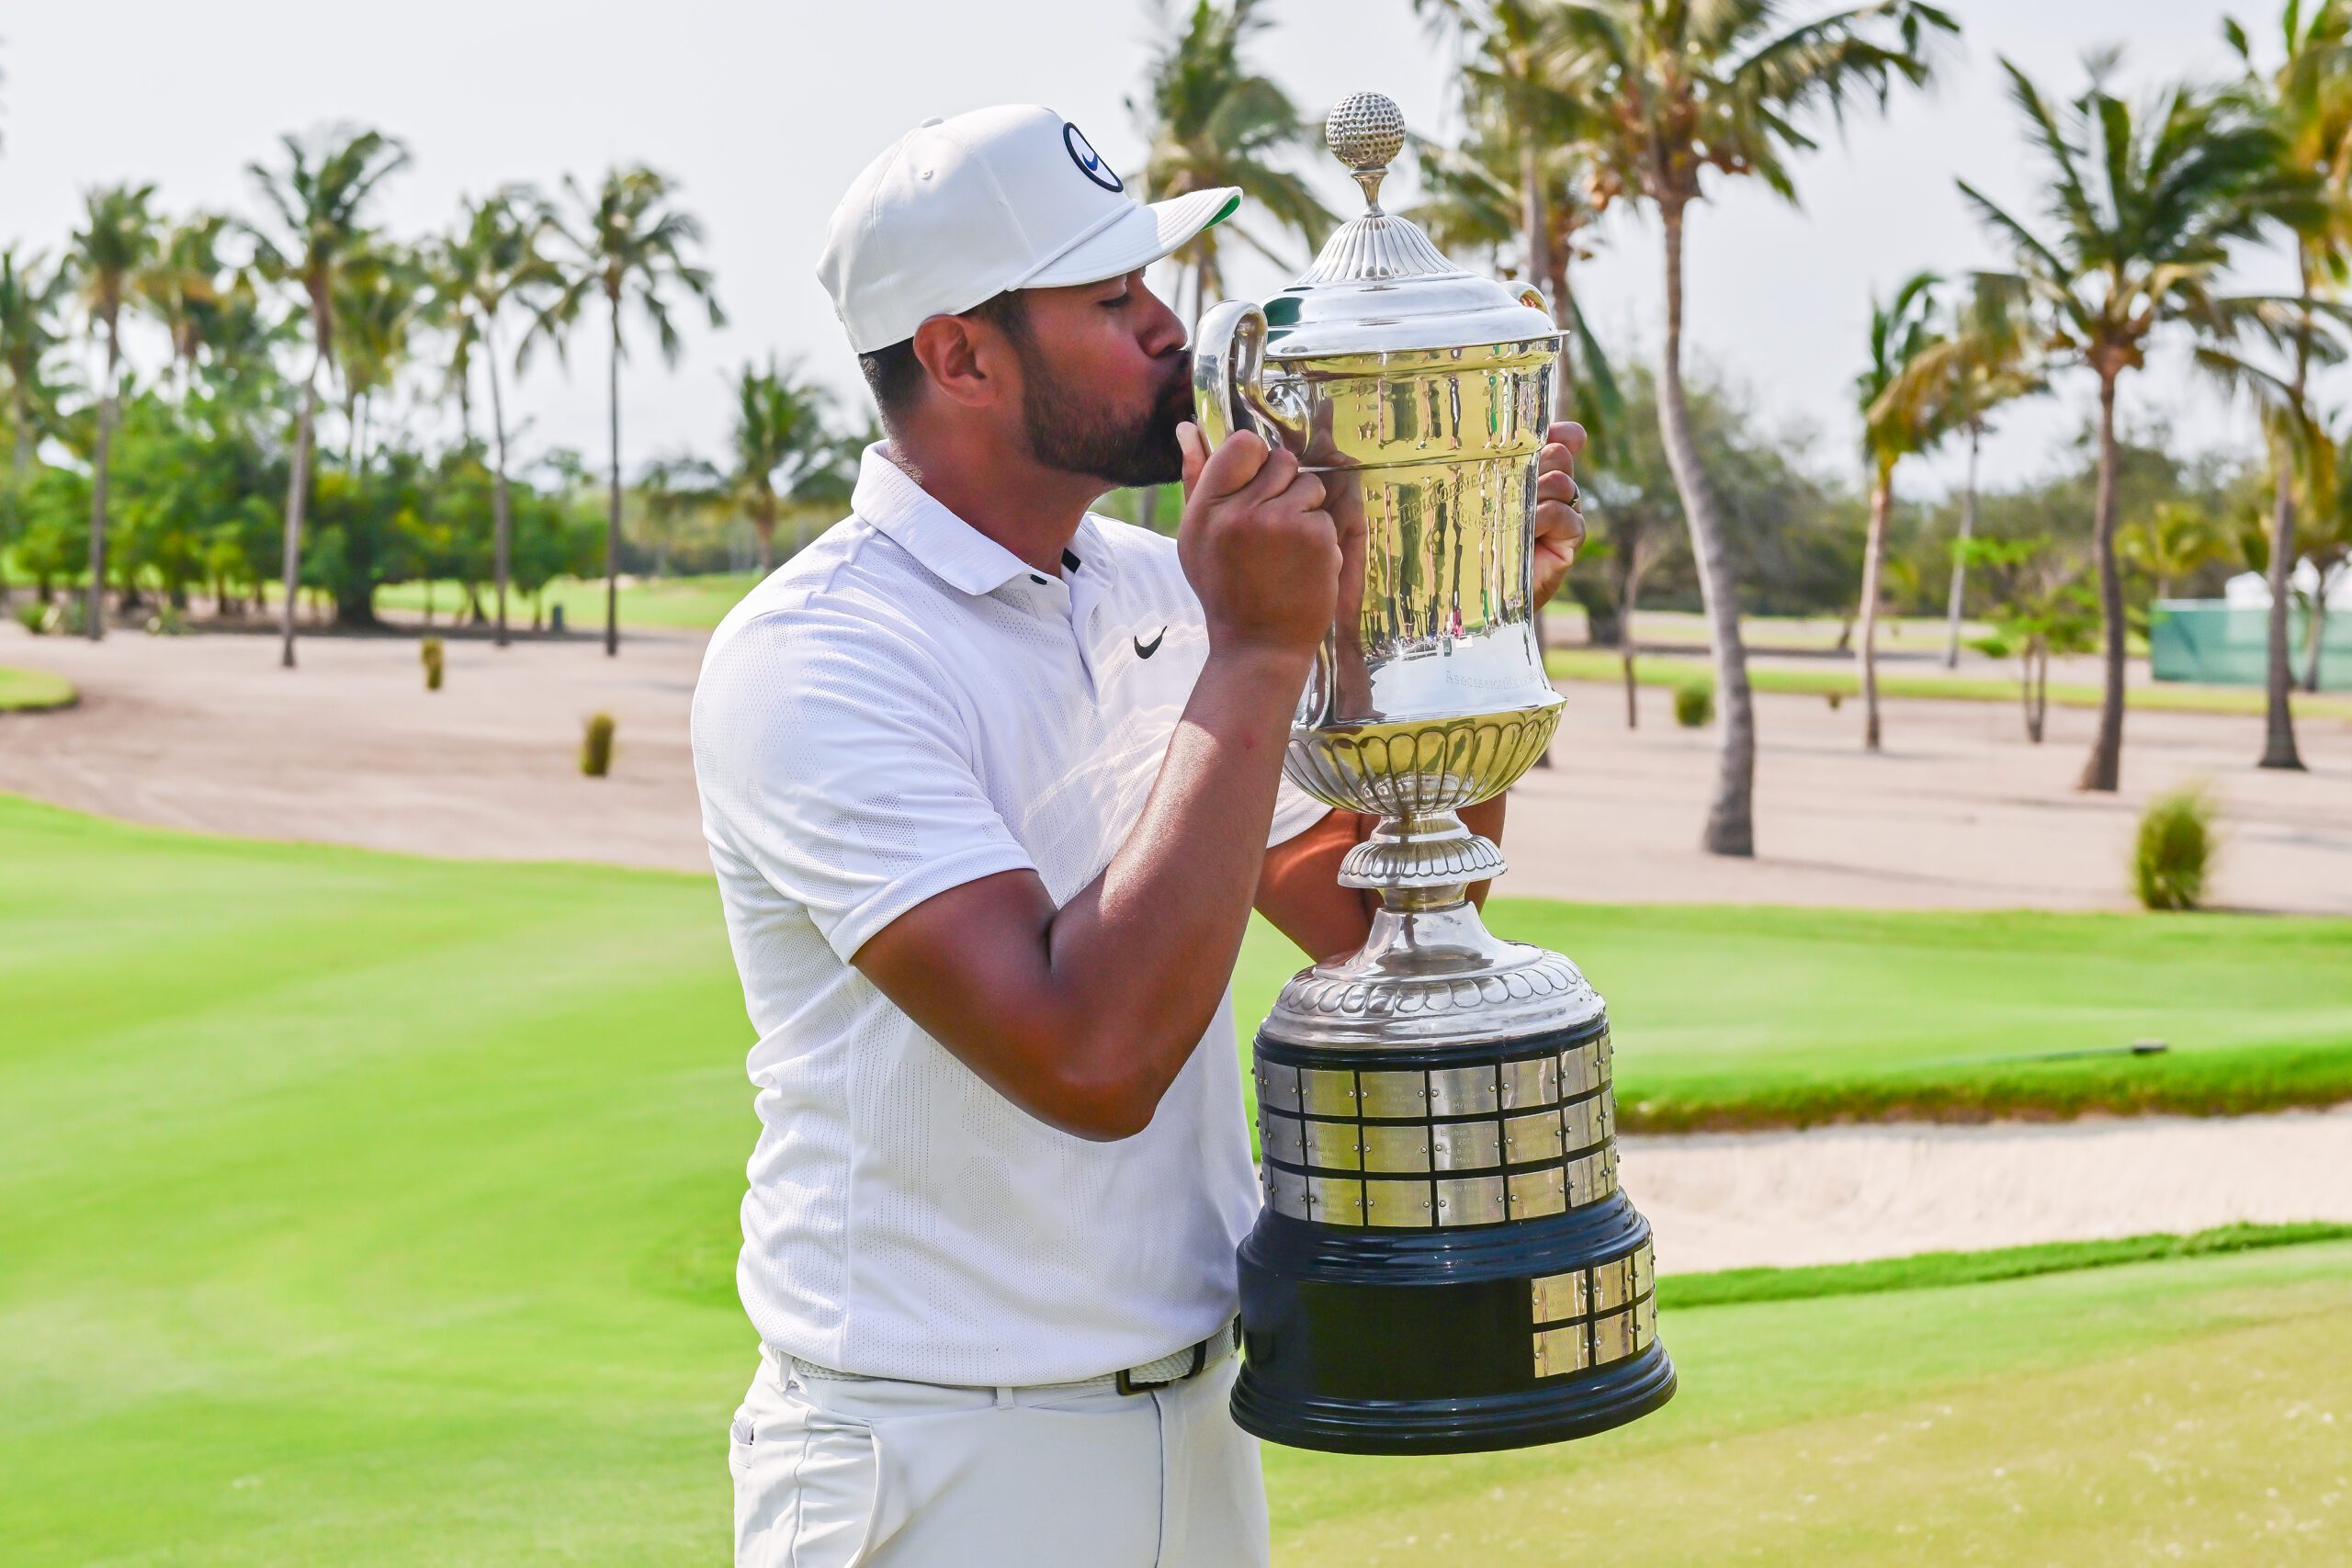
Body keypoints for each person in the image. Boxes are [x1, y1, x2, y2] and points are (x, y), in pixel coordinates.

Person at [689, 103, 1587, 1568]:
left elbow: (1374, 919)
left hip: (1199, 1437)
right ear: (959, 355)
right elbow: (1090, 1058)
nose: (1170, 326)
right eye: (1110, 299)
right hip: (939, 1464)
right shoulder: (816, 655)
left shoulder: (1155, 586)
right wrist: (1253, 655)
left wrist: (1452, 611)